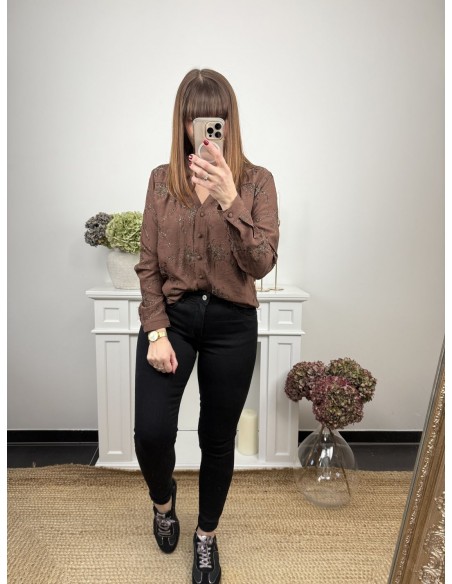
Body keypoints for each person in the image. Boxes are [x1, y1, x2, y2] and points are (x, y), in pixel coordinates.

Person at [134, 68, 279, 584]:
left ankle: (206, 537)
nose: (206, 130)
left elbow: (262, 263)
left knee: (217, 438)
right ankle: (163, 502)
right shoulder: (161, 180)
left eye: (215, 120)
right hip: (172, 319)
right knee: (151, 432)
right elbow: (148, 265)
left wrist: (230, 199)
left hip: (231, 322)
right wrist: (155, 331)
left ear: (229, 122)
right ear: (183, 123)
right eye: (195, 120)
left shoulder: (257, 181)